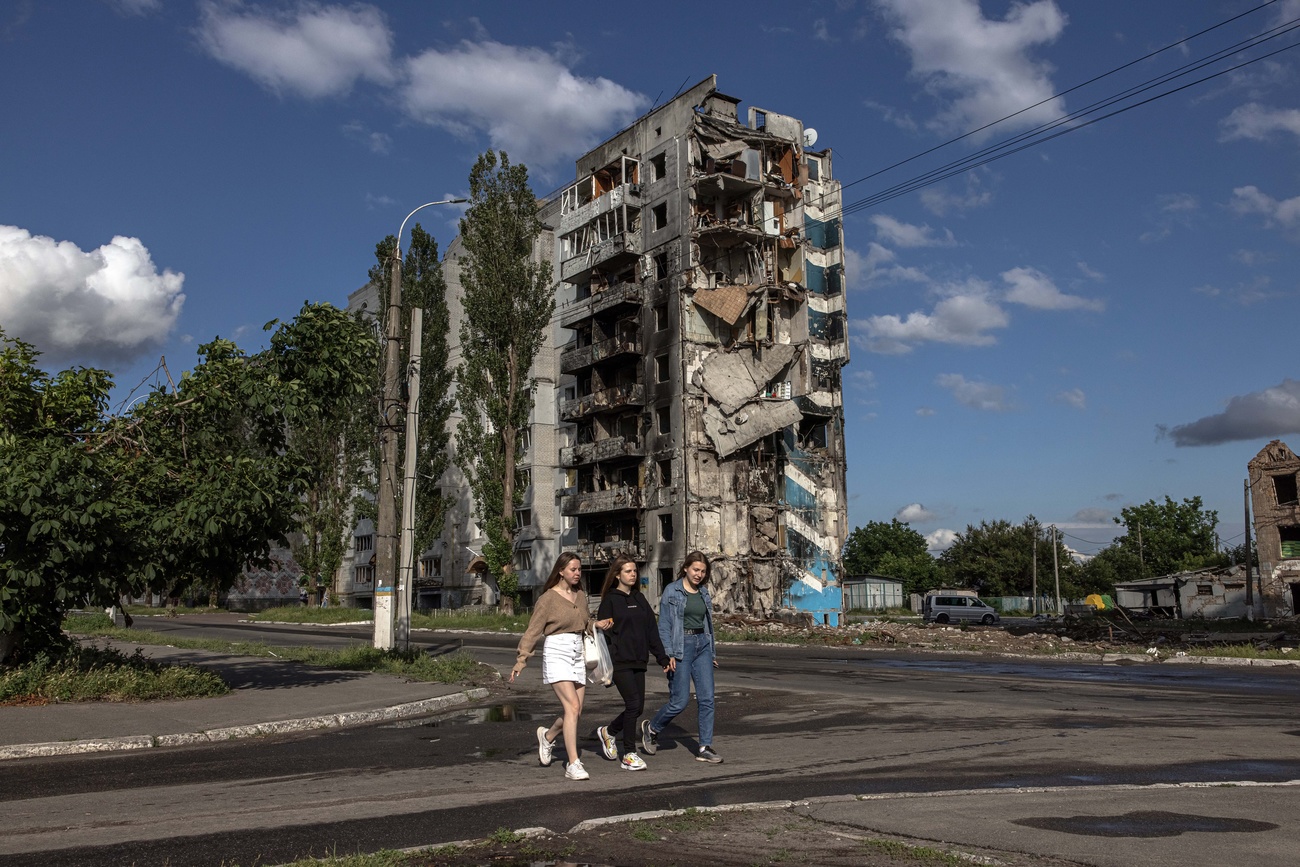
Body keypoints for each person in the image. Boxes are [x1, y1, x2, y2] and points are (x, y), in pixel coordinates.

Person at [510, 553, 607, 781]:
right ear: (561, 571)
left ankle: (548, 736)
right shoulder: (548, 599)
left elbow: (583, 623)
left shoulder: (580, 595)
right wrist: (521, 659)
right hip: (557, 652)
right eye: (572, 569)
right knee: (572, 707)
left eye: (579, 569)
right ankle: (573, 764)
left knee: (576, 711)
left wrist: (596, 624)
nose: (577, 573)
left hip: (577, 652)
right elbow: (533, 631)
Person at [641, 551, 723, 763]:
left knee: (707, 699)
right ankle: (652, 728)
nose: (699, 575)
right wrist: (668, 653)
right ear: (686, 568)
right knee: (680, 701)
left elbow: (707, 625)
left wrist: (711, 652)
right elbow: (665, 625)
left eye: (703, 572)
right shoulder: (672, 591)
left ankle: (705, 746)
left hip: (702, 646)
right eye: (696, 570)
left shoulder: (703, 593)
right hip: (680, 647)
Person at [595, 556, 670, 771]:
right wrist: (607, 664)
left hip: (639, 660)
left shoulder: (640, 598)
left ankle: (608, 732)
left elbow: (651, 631)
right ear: (617, 574)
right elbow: (604, 636)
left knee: (637, 708)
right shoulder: (610, 600)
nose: (633, 574)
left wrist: (662, 657)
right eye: (628, 571)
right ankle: (629, 753)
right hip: (619, 661)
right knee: (633, 704)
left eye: (635, 571)